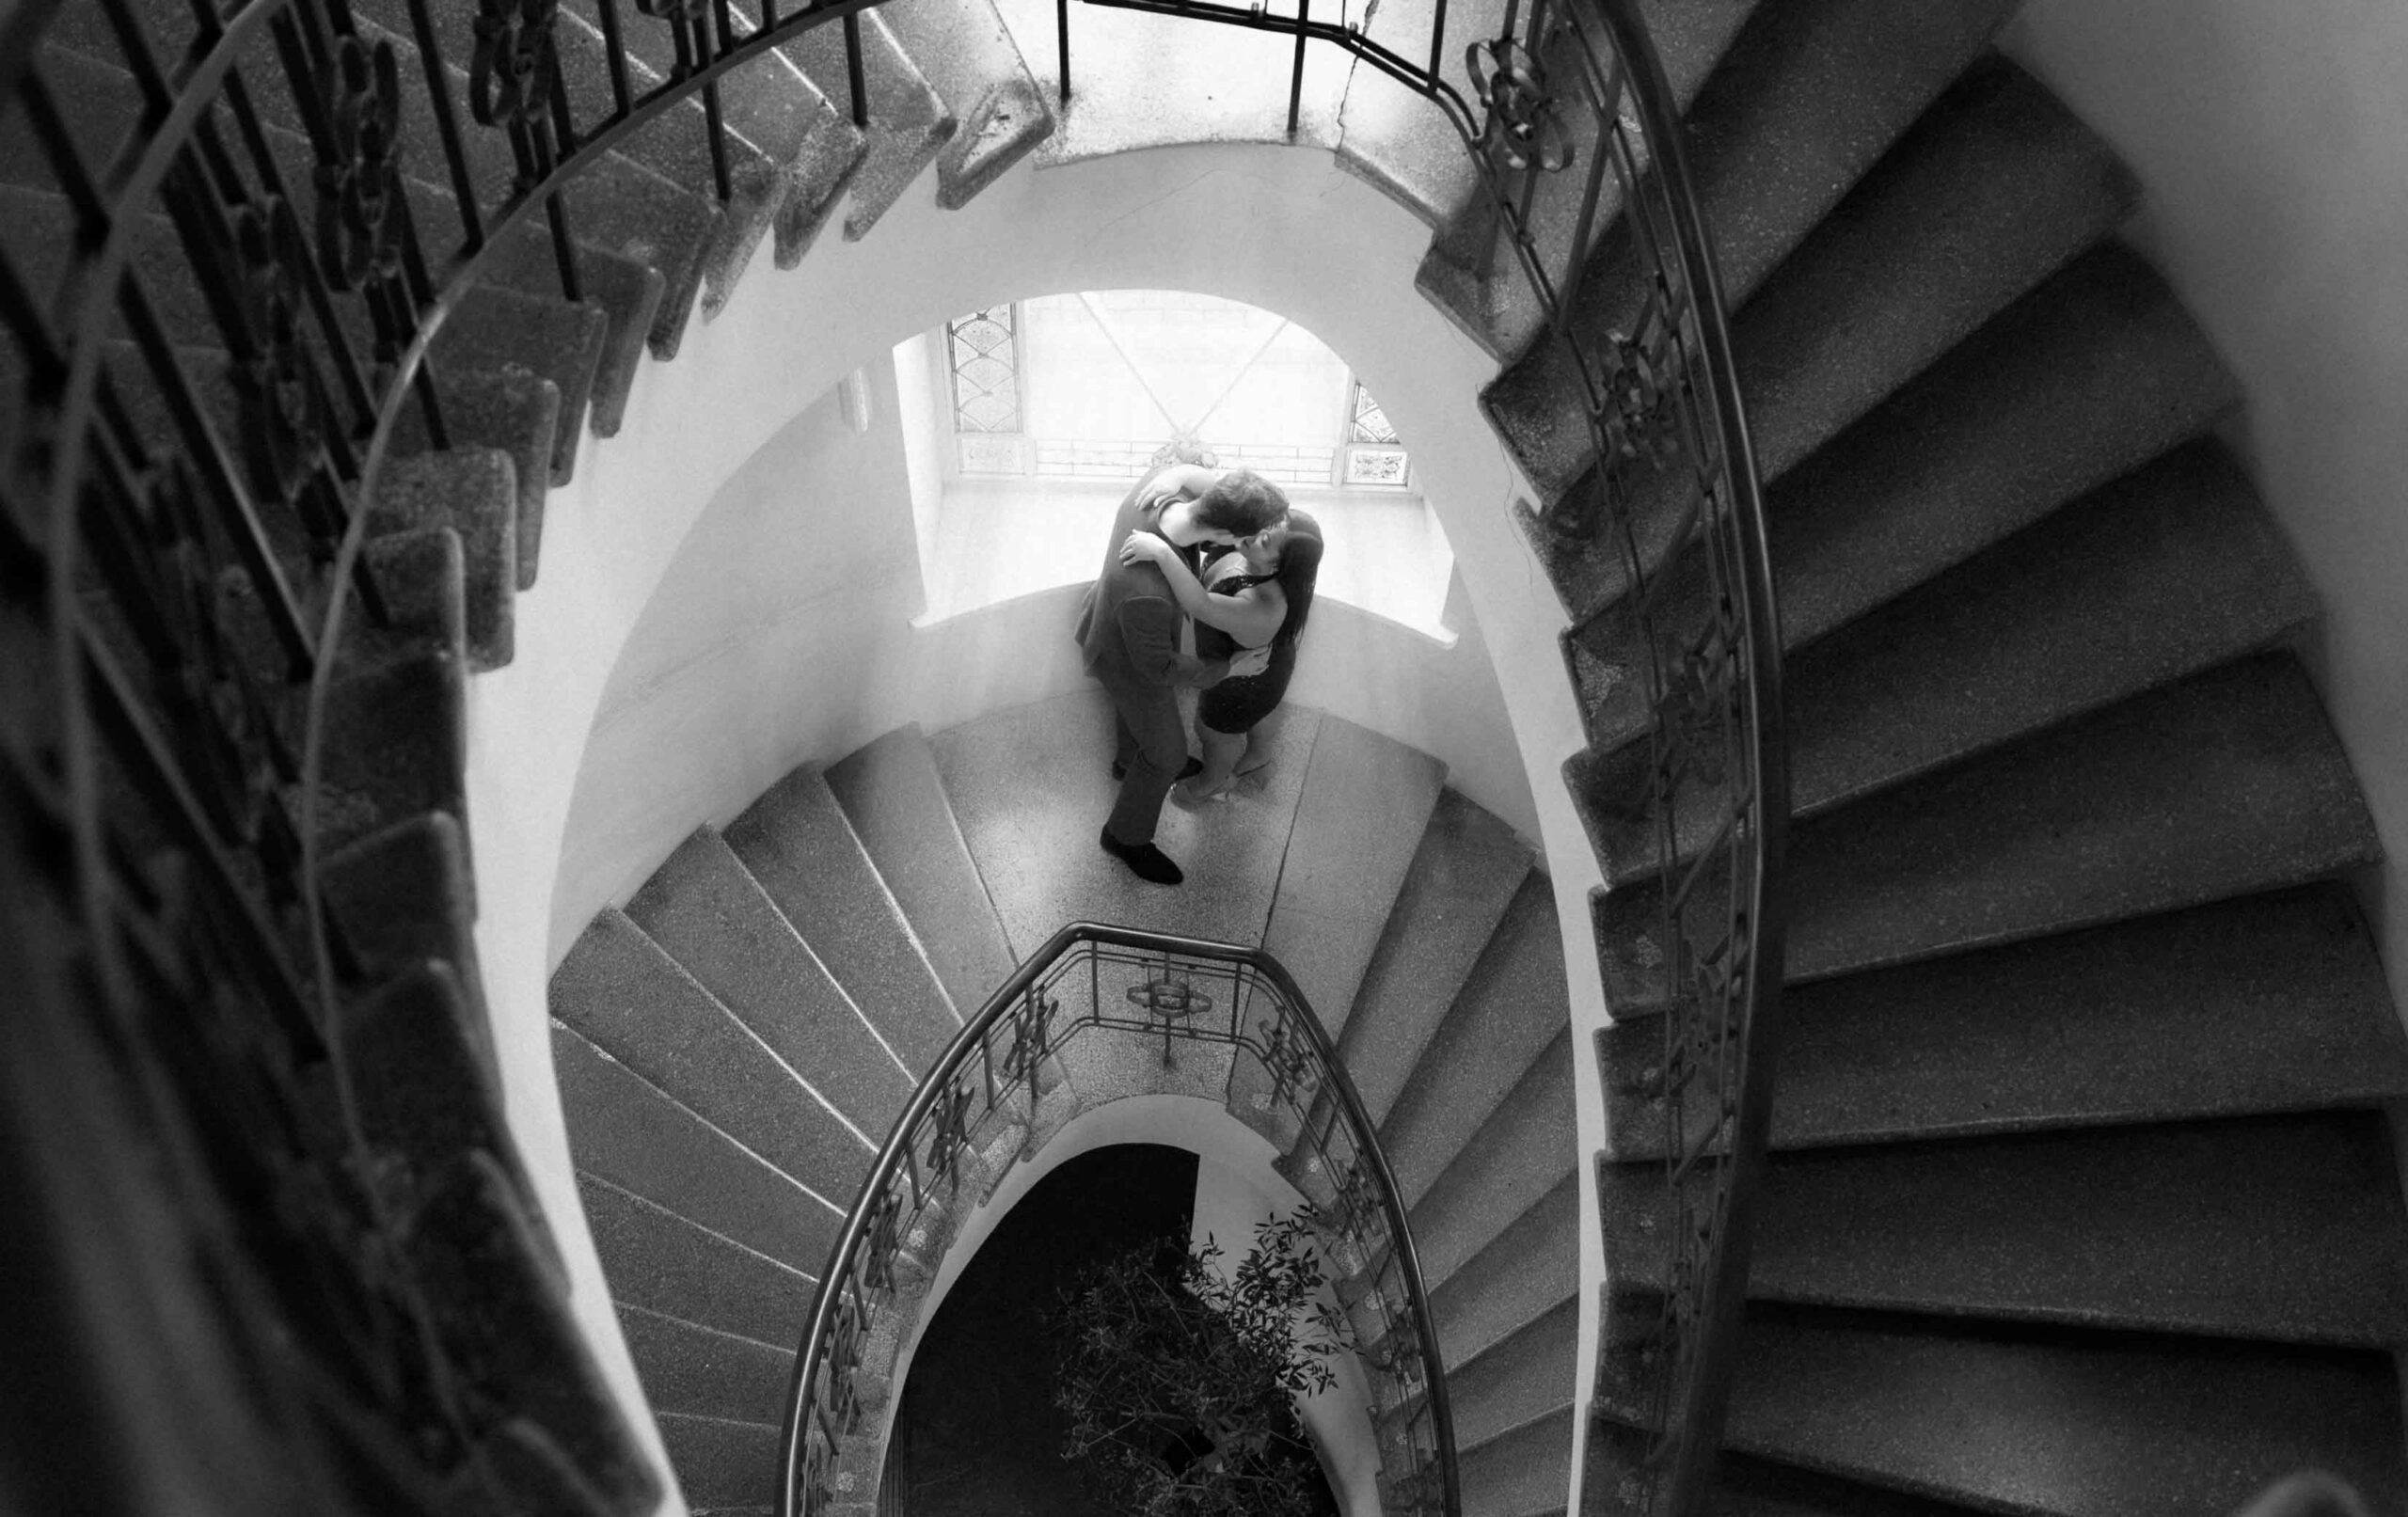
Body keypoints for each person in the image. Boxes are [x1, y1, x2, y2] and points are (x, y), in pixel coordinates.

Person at [1075, 464, 1290, 884]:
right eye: (1242, 541)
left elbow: (1204, 483)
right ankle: (1124, 837)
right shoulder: (1147, 595)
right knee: (1168, 755)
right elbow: (1160, 668)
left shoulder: (1159, 490)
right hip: (1131, 665)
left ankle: (1128, 763)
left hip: (1107, 627)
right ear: (1225, 534)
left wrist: (1178, 471)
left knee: (1141, 730)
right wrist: (1230, 667)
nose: (1242, 548)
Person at [1117, 508, 1321, 803]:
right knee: (1259, 714)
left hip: (1245, 677)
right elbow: (1225, 496)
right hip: (1270, 661)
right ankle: (1258, 758)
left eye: (1265, 542)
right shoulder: (1251, 548)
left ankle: (1214, 780)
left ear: (1278, 565)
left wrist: (1161, 552)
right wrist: (1176, 480)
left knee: (1213, 732)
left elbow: (1200, 605)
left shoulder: (1262, 604)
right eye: (1263, 525)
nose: (1254, 534)